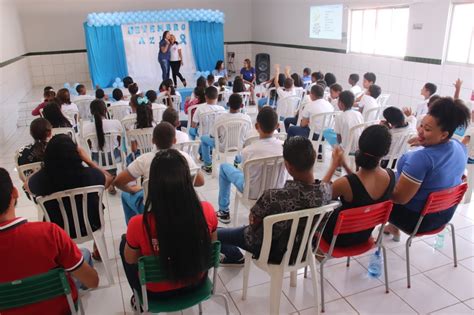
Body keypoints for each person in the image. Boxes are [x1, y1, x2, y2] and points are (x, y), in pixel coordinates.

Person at [120, 149, 216, 310]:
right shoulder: (206, 211)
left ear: (152, 185)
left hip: (157, 294)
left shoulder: (138, 224)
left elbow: (131, 260)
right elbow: (212, 244)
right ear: (187, 181)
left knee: (124, 244)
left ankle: (138, 297)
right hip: (197, 283)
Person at [217, 137, 332, 265]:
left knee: (213, 233)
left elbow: (253, 225)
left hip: (270, 251)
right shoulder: (326, 192)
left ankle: (234, 256)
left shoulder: (272, 197)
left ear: (287, 166)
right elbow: (323, 185)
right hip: (304, 251)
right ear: (315, 157)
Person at [0, 168, 99, 315]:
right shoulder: (49, 233)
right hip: (60, 309)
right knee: (83, 254)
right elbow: (93, 281)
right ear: (15, 192)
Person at [384, 97, 470, 241]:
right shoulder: (460, 147)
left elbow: (399, 198)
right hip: (444, 214)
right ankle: (393, 227)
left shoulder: (420, 159)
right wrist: (428, 144)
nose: (420, 131)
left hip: (416, 221)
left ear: (444, 135)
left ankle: (357, 235)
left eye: (427, 129)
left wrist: (378, 184)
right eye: (421, 125)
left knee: (374, 185)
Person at [27, 134, 113, 261]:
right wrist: (88, 160)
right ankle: (97, 247)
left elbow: (27, 186)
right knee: (97, 204)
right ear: (76, 154)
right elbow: (109, 179)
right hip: (90, 225)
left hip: (57, 231)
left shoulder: (41, 180)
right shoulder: (91, 175)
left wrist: (44, 168)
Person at [114, 122, 204, 224]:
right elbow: (200, 182)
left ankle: (133, 229)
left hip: (152, 211)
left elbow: (118, 182)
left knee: (125, 194)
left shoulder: (143, 160)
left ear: (153, 141)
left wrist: (130, 189)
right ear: (174, 140)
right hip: (181, 205)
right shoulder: (184, 157)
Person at [321, 125, 395, 247]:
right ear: (386, 151)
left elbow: (318, 196)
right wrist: (344, 165)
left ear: (360, 145)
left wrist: (333, 166)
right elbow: (359, 185)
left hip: (336, 238)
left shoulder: (345, 183)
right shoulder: (391, 177)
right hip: (363, 236)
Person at [216, 107, 285, 224]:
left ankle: (224, 211)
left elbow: (245, 173)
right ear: (277, 125)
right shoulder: (285, 147)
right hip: (277, 191)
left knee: (224, 167)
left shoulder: (248, 151)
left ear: (257, 126)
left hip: (252, 193)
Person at [200, 94, 252, 174]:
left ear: (228, 104)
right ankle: (237, 163)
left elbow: (212, 135)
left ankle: (208, 166)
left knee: (203, 139)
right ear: (241, 105)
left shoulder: (220, 118)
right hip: (240, 146)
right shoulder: (247, 118)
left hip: (222, 147)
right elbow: (249, 134)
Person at [82, 99, 123, 194]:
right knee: (112, 151)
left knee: (98, 154)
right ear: (105, 110)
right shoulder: (116, 122)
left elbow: (90, 146)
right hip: (115, 157)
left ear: (91, 112)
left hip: (97, 159)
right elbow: (119, 141)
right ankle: (113, 179)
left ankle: (106, 179)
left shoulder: (86, 127)